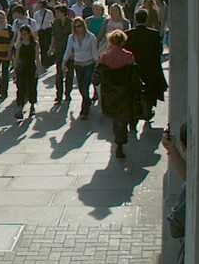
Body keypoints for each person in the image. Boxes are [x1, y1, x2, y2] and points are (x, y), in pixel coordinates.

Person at [97, 31, 142, 159]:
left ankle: (119, 143)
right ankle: (125, 134)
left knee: (117, 119)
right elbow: (134, 75)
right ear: (123, 41)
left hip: (111, 93)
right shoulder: (128, 56)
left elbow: (98, 74)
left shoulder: (105, 57)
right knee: (124, 116)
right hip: (125, 92)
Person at [162, 123, 188, 264]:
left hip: (190, 245)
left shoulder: (194, 185)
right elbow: (188, 173)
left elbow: (177, 224)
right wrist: (172, 150)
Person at [125, 9, 168, 125]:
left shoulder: (128, 34)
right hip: (150, 68)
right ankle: (147, 110)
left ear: (135, 18)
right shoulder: (154, 34)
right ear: (146, 18)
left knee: (134, 93)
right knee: (149, 92)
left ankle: (135, 117)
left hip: (134, 68)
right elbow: (159, 51)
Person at [62, 17, 99, 120]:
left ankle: (84, 109)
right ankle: (87, 101)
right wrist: (64, 62)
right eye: (76, 26)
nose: (79, 28)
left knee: (85, 86)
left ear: (84, 25)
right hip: (78, 65)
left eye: (80, 26)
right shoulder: (71, 38)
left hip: (89, 64)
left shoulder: (91, 37)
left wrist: (97, 63)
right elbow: (68, 50)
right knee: (80, 86)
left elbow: (94, 52)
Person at [13, 26, 42, 119]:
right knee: (20, 88)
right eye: (22, 34)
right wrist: (14, 70)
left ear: (29, 33)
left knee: (32, 87)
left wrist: (38, 69)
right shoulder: (19, 44)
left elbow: (37, 58)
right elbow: (16, 58)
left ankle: (32, 105)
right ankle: (19, 107)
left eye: (25, 33)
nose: (23, 35)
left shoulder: (35, 44)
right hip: (21, 68)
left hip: (31, 67)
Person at [34, 0, 54, 67]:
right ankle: (43, 62)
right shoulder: (36, 13)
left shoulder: (49, 12)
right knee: (42, 46)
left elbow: (52, 21)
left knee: (47, 45)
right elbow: (35, 23)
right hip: (40, 31)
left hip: (47, 30)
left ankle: (49, 61)